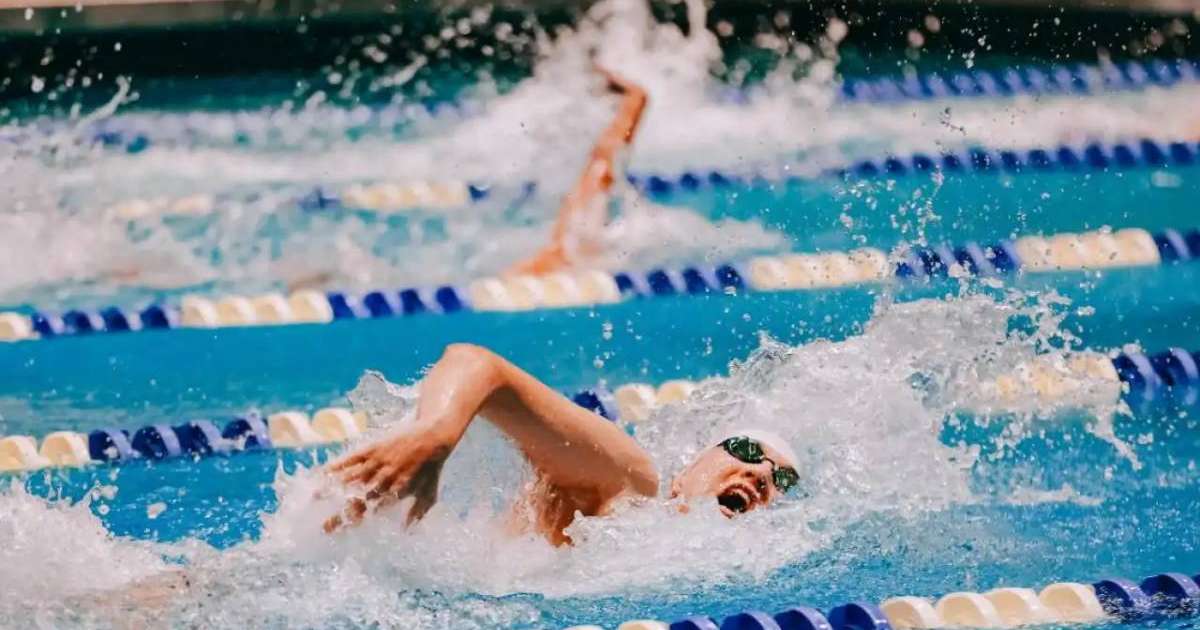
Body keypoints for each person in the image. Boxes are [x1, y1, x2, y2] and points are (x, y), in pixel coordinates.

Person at [324, 343, 800, 546]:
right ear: (687, 471)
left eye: (782, 479)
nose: (760, 474)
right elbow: (477, 365)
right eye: (747, 451)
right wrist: (434, 437)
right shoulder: (629, 487)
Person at [508, 67, 648, 275]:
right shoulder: (594, 188)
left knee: (602, 159)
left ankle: (632, 95)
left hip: (572, 250)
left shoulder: (597, 179)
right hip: (577, 249)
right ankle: (630, 94)